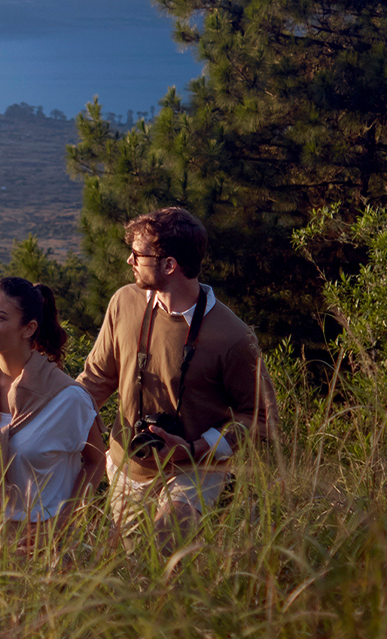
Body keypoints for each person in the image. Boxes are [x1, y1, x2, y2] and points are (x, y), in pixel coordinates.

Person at [76, 206, 274, 545]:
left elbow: (261, 419)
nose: (130, 261)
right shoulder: (124, 302)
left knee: (166, 542)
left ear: (170, 265)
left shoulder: (233, 337)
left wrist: (194, 448)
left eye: (138, 254)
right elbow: (95, 380)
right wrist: (48, 425)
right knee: (135, 566)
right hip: (129, 465)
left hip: (197, 468)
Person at [0, 276, 104, 553]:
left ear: (28, 328)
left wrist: (65, 521)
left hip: (43, 536)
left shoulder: (66, 398)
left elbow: (96, 461)